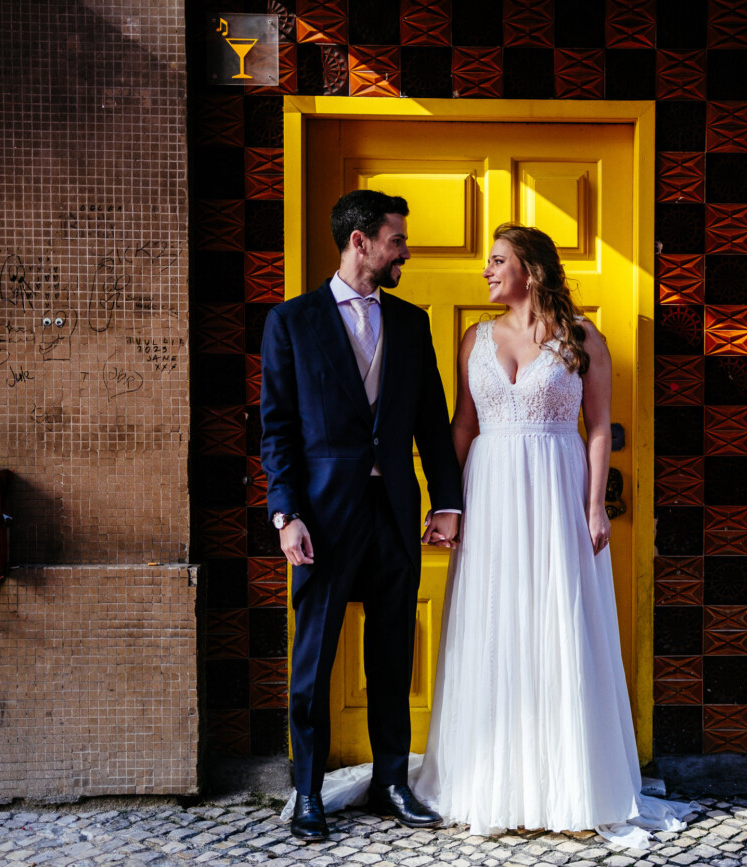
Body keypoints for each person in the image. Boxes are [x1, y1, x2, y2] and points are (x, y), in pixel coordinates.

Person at [412, 224, 693, 845]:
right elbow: (463, 426)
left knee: (555, 623)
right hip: (490, 497)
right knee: (495, 624)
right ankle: (489, 777)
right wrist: (446, 504)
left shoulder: (583, 338)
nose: (485, 271)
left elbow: (598, 429)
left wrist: (594, 506)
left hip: (556, 494)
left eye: (497, 261)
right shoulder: (473, 339)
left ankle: (567, 780)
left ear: (530, 271)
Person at [260, 189, 463, 842]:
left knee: (393, 653)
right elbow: (277, 427)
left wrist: (448, 500)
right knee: (314, 660)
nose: (404, 249)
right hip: (321, 516)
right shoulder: (291, 323)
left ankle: (392, 781)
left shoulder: (410, 323)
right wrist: (285, 512)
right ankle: (309, 790)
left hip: (394, 515)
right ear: (361, 243)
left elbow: (432, 420)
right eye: (397, 239)